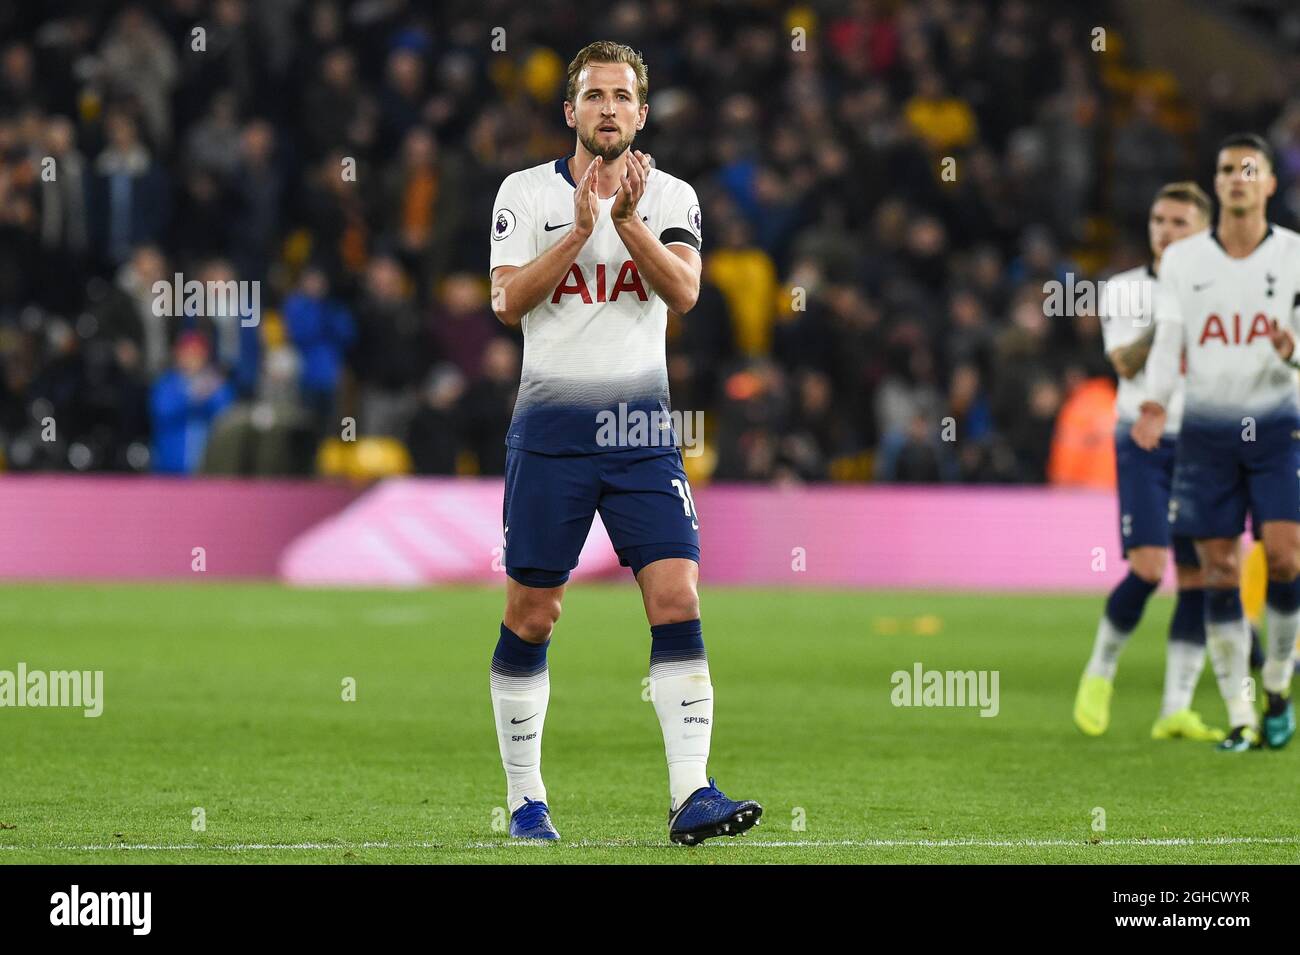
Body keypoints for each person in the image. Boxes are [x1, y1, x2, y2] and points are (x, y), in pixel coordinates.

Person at [486, 41, 760, 844]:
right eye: (594, 95)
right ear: (568, 111)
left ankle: (691, 793)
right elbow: (505, 300)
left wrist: (627, 221)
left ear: (642, 113)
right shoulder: (522, 193)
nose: (609, 108)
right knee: (534, 614)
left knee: (677, 596)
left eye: (623, 96)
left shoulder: (669, 193)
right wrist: (575, 236)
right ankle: (526, 799)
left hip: (641, 432)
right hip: (549, 432)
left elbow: (683, 290)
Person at [1133, 134, 1300, 751]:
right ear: (1219, 180)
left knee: (1285, 558)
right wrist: (1154, 404)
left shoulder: (1295, 256)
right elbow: (1169, 342)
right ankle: (1240, 714)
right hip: (1206, 435)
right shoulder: (1183, 262)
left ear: (1268, 185)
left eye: (1248, 169)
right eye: (1226, 168)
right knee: (1219, 571)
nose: (1236, 177)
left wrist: (1294, 350)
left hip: (1278, 430)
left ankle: (1277, 682)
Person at [1074, 182, 1222, 741]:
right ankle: (1100, 670)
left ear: (1203, 231)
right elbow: (1127, 365)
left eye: (1179, 222)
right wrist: (1174, 317)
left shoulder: (1224, 292)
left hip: (1206, 442)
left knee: (1199, 574)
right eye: (1159, 219)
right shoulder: (1126, 290)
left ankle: (1176, 709)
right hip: (1143, 440)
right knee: (1148, 567)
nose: (1164, 230)